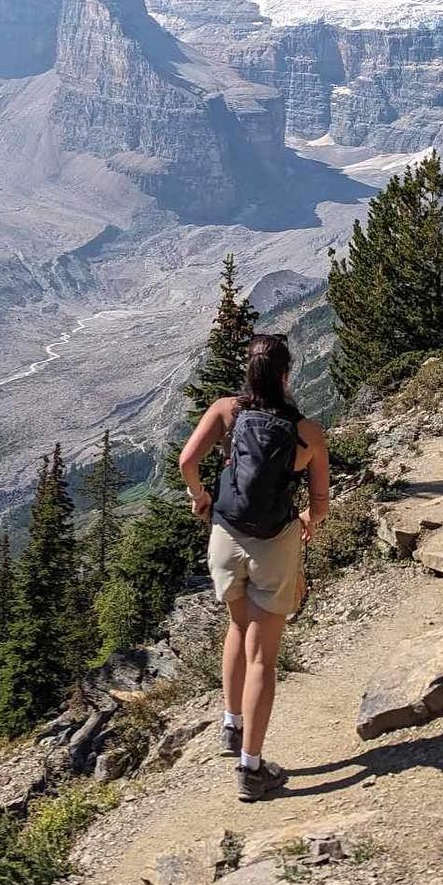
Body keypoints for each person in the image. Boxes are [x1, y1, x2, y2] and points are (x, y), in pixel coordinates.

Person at [178, 333, 330, 801]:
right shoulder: (308, 433)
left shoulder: (228, 411)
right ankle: (251, 768)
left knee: (237, 627)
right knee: (263, 653)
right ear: (286, 376)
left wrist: (201, 498)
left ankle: (231, 725)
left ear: (250, 372)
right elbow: (320, 503)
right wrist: (307, 519)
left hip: (226, 538)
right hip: (274, 545)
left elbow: (187, 461)